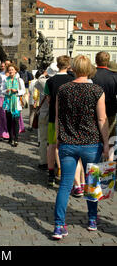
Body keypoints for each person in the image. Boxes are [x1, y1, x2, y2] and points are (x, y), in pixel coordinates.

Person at [52, 55, 109, 239]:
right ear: (89, 69)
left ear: (74, 68)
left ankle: (59, 226)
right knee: (92, 183)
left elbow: (58, 117)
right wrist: (106, 143)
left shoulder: (63, 89)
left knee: (65, 185)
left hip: (68, 143)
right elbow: (102, 119)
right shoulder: (96, 90)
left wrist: (58, 138)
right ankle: (92, 219)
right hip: (91, 143)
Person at [44, 57, 74, 187]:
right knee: (68, 146)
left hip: (53, 117)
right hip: (69, 119)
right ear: (68, 66)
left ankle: (51, 174)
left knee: (52, 145)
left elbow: (48, 100)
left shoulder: (50, 81)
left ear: (57, 65)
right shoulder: (73, 80)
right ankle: (65, 173)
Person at [92, 51, 117, 159]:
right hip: (110, 111)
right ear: (108, 61)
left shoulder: (91, 75)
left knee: (94, 139)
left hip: (93, 112)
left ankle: (94, 162)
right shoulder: (114, 76)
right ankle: (108, 165)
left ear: (96, 61)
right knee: (110, 139)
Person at [2, 63, 26, 147]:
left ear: (15, 71)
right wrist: (7, 91)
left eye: (12, 69)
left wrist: (16, 91)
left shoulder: (20, 80)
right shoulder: (5, 80)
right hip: (8, 103)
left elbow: (23, 91)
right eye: (9, 70)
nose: (11, 71)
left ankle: (16, 139)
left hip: (16, 103)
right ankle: (10, 137)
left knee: (16, 121)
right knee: (9, 121)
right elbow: (2, 90)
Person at [34, 64, 49, 170]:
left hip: (45, 113)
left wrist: (44, 74)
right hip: (54, 114)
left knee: (43, 140)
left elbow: (38, 80)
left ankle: (43, 161)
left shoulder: (45, 81)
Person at [0, 61, 11, 140]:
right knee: (1, 116)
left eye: (7, 64)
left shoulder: (14, 74)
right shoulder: (1, 75)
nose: (6, 66)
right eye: (5, 64)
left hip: (11, 97)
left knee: (9, 116)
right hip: (2, 97)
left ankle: (8, 132)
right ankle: (0, 133)